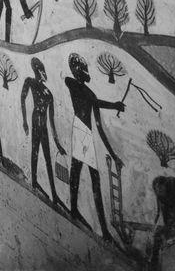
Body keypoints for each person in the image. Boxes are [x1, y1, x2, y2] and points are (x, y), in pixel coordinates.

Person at [64, 53, 125, 242]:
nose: (83, 72)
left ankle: (102, 228)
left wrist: (113, 154)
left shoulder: (89, 93)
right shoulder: (73, 84)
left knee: (89, 176)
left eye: (83, 68)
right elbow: (71, 80)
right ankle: (79, 213)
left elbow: (99, 126)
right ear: (75, 70)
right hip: (80, 132)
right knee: (80, 173)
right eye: (80, 68)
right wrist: (113, 104)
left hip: (86, 135)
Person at [21, 57, 66, 206]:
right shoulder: (30, 82)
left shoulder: (49, 93)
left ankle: (54, 193)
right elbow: (22, 98)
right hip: (35, 122)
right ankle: (34, 182)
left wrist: (57, 143)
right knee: (35, 153)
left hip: (43, 125)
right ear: (38, 71)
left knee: (47, 157)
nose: (44, 73)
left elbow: (52, 120)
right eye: (42, 70)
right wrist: (24, 121)